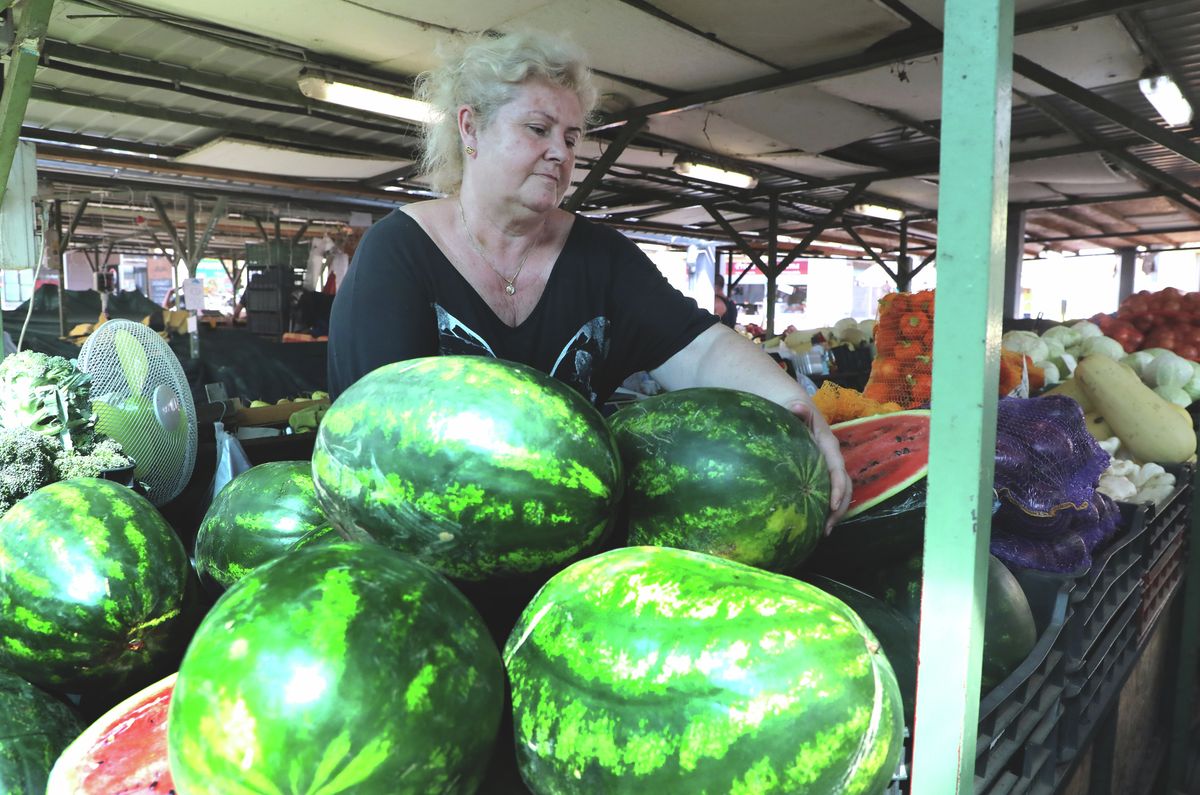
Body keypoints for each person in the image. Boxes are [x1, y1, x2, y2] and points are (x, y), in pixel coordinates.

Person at [326, 30, 850, 532]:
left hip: (580, 548)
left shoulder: (602, 257)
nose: (561, 152)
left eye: (571, 137)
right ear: (470, 129)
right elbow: (365, 440)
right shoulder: (397, 254)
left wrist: (796, 411)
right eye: (538, 129)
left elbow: (700, 349)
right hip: (432, 550)